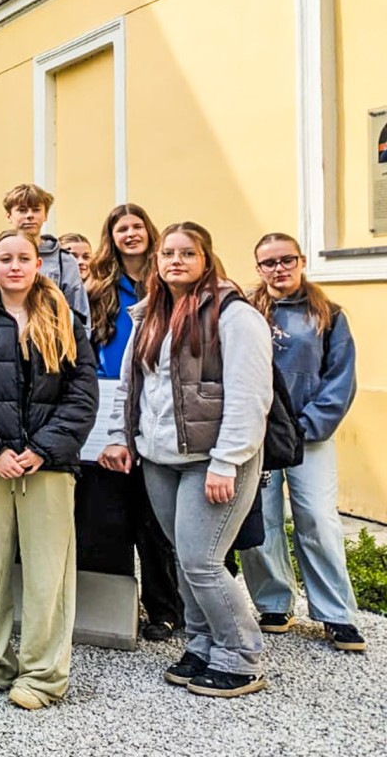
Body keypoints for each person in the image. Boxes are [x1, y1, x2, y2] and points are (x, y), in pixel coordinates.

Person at [101, 222, 274, 698]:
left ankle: (240, 657)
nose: (175, 260)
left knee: (203, 561)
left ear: (205, 258)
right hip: (160, 459)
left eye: (187, 253)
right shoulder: (149, 315)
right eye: (168, 254)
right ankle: (202, 645)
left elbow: (249, 396)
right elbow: (130, 387)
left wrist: (227, 461)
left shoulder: (234, 315)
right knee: (184, 557)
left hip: (212, 460)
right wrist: (120, 438)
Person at [0, 230, 97, 710]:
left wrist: (43, 449)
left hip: (47, 468)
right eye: (5, 258)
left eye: (23, 258)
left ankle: (42, 675)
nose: (14, 266)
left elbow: (82, 394)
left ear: (37, 265)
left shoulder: (63, 318)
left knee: (48, 576)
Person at [240, 233, 365, 652]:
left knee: (317, 519)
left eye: (286, 260)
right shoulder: (246, 311)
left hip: (309, 435)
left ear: (301, 261)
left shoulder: (328, 314)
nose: (279, 268)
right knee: (261, 520)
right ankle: (273, 603)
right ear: (258, 268)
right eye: (269, 262)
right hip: (259, 435)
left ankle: (336, 613)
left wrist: (308, 426)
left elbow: (340, 378)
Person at [78, 204, 182, 642]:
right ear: (112, 237)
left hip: (157, 401)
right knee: (108, 511)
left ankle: (165, 608)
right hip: (108, 403)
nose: (131, 234)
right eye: (122, 228)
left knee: (155, 516)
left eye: (137, 226)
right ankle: (114, 606)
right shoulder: (97, 288)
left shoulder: (168, 284)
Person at [2, 184, 90, 331]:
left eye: (36, 210)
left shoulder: (64, 261)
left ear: (46, 215)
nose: (29, 215)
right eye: (22, 210)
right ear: (9, 215)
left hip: (52, 339)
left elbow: (79, 314)